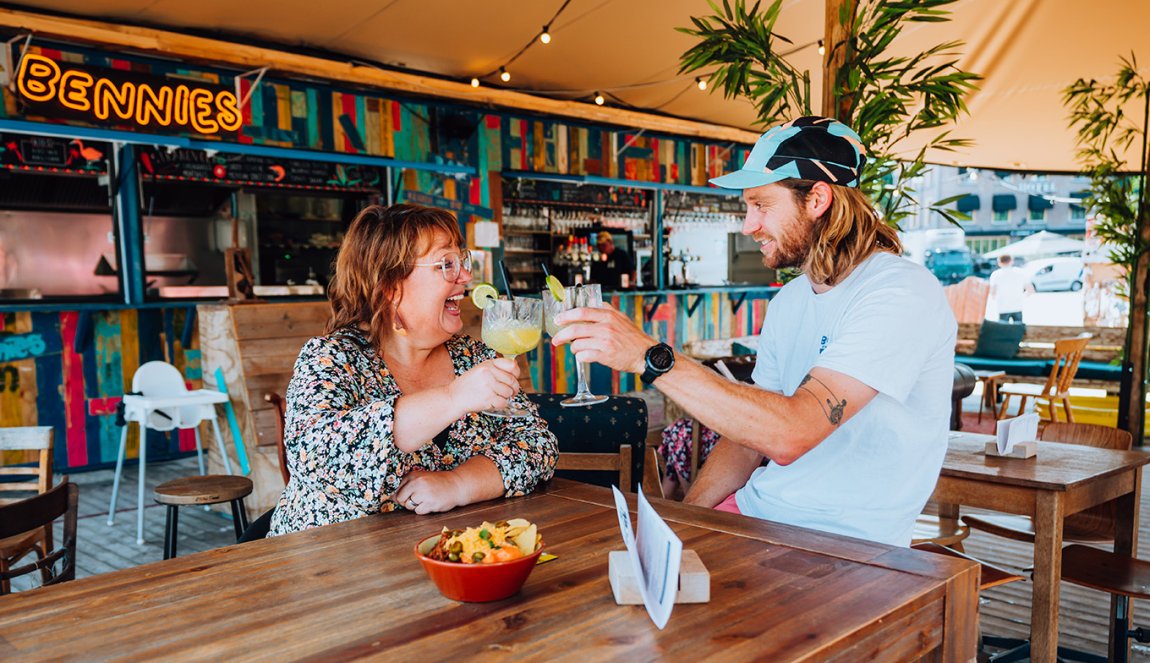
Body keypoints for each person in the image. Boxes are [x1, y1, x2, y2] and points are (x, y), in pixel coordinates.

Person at [553, 116, 956, 546]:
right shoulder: (791, 301)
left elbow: (791, 434)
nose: (748, 226)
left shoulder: (899, 292)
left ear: (817, 198)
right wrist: (680, 527)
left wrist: (650, 357)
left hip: (843, 544)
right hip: (757, 514)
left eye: (761, 205)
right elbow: (747, 442)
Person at [269, 204, 558, 536]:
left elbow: (537, 444)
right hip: (330, 569)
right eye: (445, 264)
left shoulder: (473, 355)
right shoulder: (332, 358)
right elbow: (322, 457)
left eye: (460, 260)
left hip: (444, 559)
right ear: (391, 286)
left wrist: (458, 484)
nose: (465, 276)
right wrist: (454, 397)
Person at [988, 253, 1028, 323]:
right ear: (1012, 261)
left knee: (1003, 331)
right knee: (1018, 330)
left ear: (999, 262)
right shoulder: (1020, 272)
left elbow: (993, 292)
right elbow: (1030, 290)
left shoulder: (996, 274)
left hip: (1003, 307)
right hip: (1018, 306)